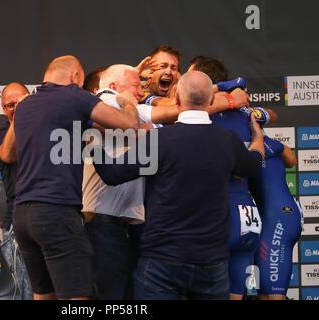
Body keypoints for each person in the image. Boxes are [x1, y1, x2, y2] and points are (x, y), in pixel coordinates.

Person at [92, 71, 265, 300]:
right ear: (212, 101)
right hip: (211, 262)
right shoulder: (227, 141)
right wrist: (258, 138)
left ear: (177, 100)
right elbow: (253, 165)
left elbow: (112, 173)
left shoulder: (158, 141)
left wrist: (92, 139)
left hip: (161, 261)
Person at [0, 55, 139, 300]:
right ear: (75, 77)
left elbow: (6, 154)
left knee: (44, 296)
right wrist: (127, 101)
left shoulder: (27, 105)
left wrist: (19, 112)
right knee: (76, 298)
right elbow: (129, 125)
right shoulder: (75, 96)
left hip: (22, 217)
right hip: (56, 213)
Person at [82, 64, 179, 299]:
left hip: (118, 224)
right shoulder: (106, 101)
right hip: (102, 221)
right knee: (111, 296)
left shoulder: (130, 107)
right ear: (114, 87)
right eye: (137, 85)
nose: (141, 91)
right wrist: (128, 106)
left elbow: (174, 111)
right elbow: (134, 128)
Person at [189, 56, 277, 299]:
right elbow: (271, 115)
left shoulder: (200, 116)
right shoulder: (244, 113)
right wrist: (246, 106)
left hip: (216, 215)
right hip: (247, 217)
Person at [250, 136, 303, 300]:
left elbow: (291, 160)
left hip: (279, 218)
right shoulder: (266, 141)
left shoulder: (254, 143)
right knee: (263, 294)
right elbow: (291, 160)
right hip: (276, 214)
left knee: (273, 295)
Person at [0, 82, 32, 299]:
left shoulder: (46, 130)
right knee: (23, 293)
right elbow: (9, 155)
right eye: (10, 105)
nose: (15, 108)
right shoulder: (0, 135)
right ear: (3, 109)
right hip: (16, 224)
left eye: (21, 102)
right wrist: (21, 113)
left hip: (46, 219)